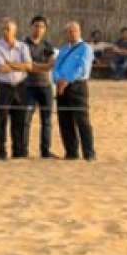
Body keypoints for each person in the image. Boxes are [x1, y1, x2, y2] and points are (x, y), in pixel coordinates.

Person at [53, 22, 97, 161]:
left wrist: (67, 80)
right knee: (65, 120)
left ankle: (89, 152)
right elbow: (56, 66)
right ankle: (71, 152)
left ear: (79, 31)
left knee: (82, 120)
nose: (72, 34)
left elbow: (82, 68)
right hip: (61, 87)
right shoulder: (64, 50)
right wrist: (57, 79)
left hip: (77, 86)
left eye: (74, 31)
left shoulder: (85, 48)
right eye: (69, 31)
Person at [0, 18, 33, 161]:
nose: (5, 31)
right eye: (3, 29)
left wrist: (11, 64)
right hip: (3, 87)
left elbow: (29, 66)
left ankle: (18, 152)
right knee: (1, 121)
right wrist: (18, 65)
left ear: (15, 31)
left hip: (20, 86)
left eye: (8, 29)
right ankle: (1, 153)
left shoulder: (22, 47)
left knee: (19, 121)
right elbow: (1, 68)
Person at [21, 16, 59, 159]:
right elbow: (27, 66)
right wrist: (42, 66)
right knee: (25, 120)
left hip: (45, 86)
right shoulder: (24, 45)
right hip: (28, 86)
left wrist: (36, 66)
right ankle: (23, 151)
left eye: (41, 27)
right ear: (31, 27)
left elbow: (50, 64)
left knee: (47, 121)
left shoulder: (47, 46)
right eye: (36, 26)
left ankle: (45, 150)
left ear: (45, 29)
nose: (38, 29)